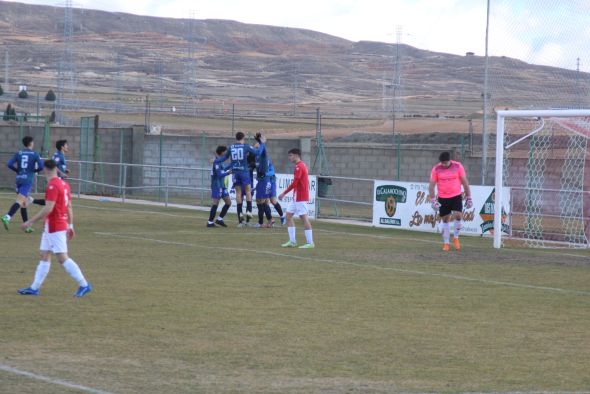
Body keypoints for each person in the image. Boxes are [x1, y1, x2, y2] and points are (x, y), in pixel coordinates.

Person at [17, 159, 92, 297]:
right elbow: (69, 206)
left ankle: (84, 284)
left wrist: (30, 222)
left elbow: (48, 208)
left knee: (62, 258)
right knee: (44, 255)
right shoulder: (64, 184)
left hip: (55, 225)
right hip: (55, 225)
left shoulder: (52, 186)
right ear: (56, 169)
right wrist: (71, 225)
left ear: (45, 170)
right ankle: (34, 288)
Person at [215, 132, 265, 225]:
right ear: (243, 138)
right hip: (244, 172)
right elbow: (257, 152)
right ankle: (249, 211)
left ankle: (240, 214)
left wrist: (215, 161)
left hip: (235, 173)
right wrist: (262, 143)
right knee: (248, 191)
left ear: (236, 138)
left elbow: (223, 158)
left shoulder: (231, 147)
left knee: (238, 193)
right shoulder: (245, 146)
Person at [428, 151, 472, 251]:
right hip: (443, 198)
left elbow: (465, 183)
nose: (443, 165)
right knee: (445, 219)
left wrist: (469, 197)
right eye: (442, 163)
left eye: (445, 163)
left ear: (449, 161)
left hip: (456, 196)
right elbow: (431, 186)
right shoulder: (436, 169)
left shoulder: (458, 166)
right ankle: (446, 243)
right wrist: (433, 200)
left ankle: (456, 238)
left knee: (458, 215)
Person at [2, 136, 44, 232]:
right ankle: (7, 217)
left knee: (24, 203)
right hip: (27, 180)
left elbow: (9, 164)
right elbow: (41, 166)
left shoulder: (19, 153)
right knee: (20, 201)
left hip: (19, 179)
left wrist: (17, 170)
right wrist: (35, 170)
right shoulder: (35, 154)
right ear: (31, 143)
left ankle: (27, 227)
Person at [278, 148, 314, 249]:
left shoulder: (299, 167)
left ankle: (310, 242)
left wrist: (284, 193)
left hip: (300, 197)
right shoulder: (300, 166)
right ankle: (293, 241)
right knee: (288, 216)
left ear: (296, 155)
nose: (289, 158)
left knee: (304, 218)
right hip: (296, 197)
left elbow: (295, 183)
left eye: (291, 155)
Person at [253, 134, 285, 228]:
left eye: (257, 148)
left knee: (272, 200)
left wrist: (265, 174)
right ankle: (270, 220)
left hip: (270, 181)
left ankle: (281, 217)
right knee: (265, 201)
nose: (256, 149)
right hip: (264, 181)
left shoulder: (265, 158)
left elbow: (272, 171)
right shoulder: (257, 158)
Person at [30, 139, 71, 206]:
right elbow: (53, 165)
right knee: (56, 200)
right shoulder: (59, 155)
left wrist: (65, 170)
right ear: (62, 147)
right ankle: (33, 201)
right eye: (66, 145)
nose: (67, 147)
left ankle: (32, 200)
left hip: (58, 179)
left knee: (55, 200)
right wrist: (62, 173)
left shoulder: (59, 154)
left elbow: (56, 165)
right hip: (57, 180)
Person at [207, 146, 232, 228]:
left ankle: (219, 219)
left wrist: (232, 164)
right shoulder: (216, 161)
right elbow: (219, 174)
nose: (226, 153)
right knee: (215, 203)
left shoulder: (219, 161)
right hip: (216, 185)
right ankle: (210, 222)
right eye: (225, 151)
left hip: (222, 185)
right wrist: (228, 173)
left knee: (228, 203)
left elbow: (224, 169)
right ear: (221, 152)